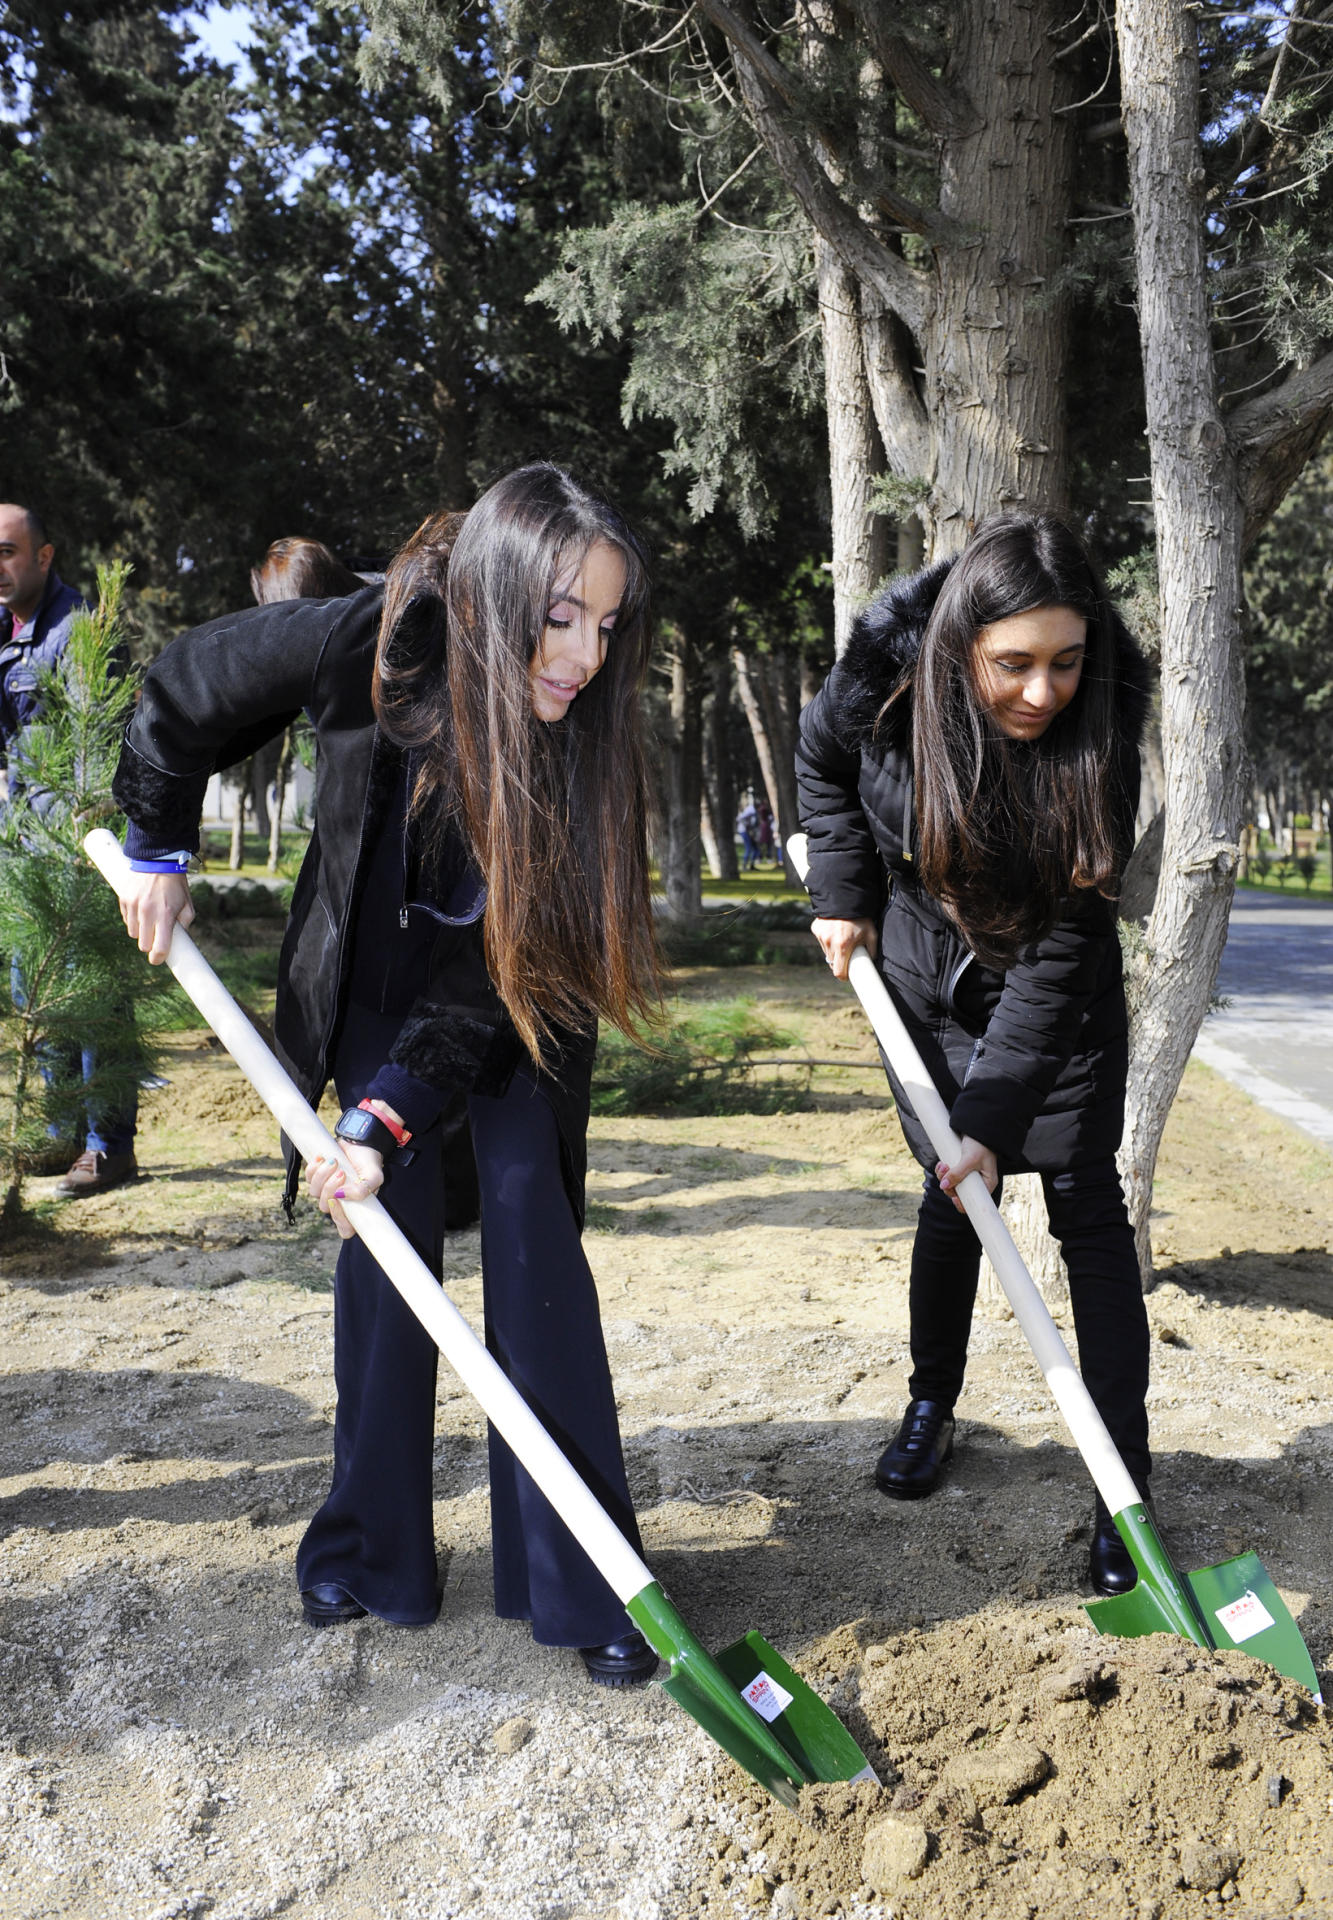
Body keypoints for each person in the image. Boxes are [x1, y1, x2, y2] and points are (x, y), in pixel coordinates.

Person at [111, 465, 663, 1684]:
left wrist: (386, 1114)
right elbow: (184, 690)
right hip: (373, 960)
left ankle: (581, 1573)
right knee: (383, 1242)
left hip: (515, 986)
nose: (584, 653)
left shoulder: (579, 742)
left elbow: (489, 987)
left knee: (531, 1236)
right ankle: (369, 1552)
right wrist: (156, 842)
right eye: (561, 616)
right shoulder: (370, 636)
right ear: (490, 598)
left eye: (608, 622)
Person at [796, 513, 1153, 1598]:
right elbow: (820, 764)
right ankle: (929, 1402)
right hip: (924, 983)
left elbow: (1056, 965)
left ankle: (1123, 1480)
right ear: (958, 650)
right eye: (1013, 665)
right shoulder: (883, 691)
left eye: (1064, 662)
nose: (1042, 692)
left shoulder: (1098, 743)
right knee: (945, 1199)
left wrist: (992, 1123)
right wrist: (841, 899)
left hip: (1056, 1008)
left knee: (1088, 1210)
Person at [0, 502, 140, 1193]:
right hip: (25, 842)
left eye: (6, 552)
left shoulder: (77, 630)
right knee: (41, 996)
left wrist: (88, 845)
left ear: (44, 555)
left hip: (77, 846)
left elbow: (96, 753)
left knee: (95, 1002)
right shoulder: (9, 632)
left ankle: (108, 1147)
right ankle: (60, 1133)